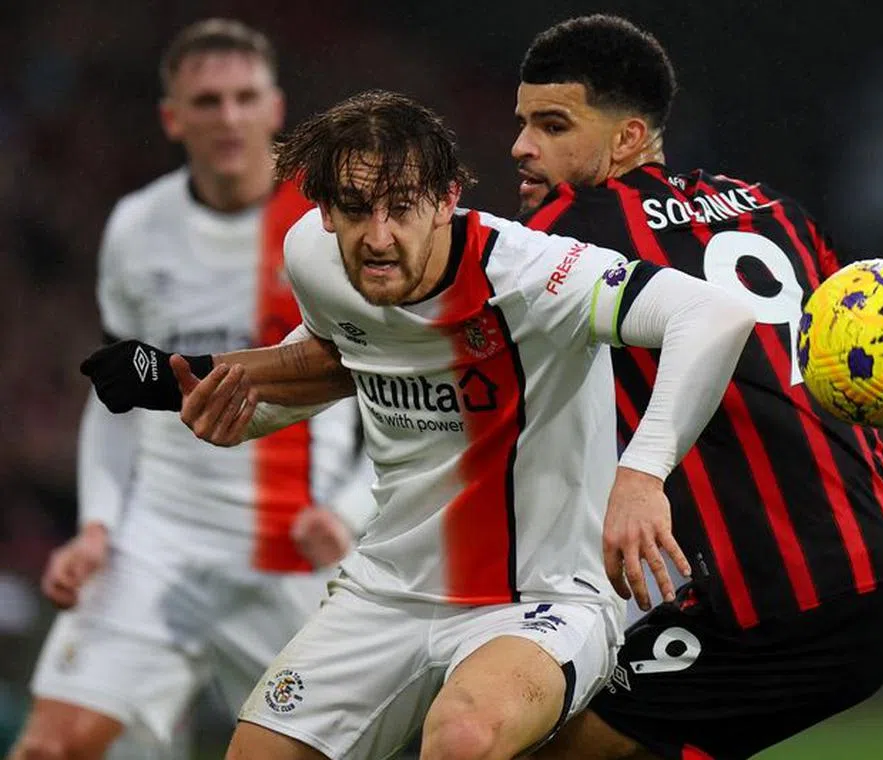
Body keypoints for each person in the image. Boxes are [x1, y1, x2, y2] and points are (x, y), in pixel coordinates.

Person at [78, 90, 756, 760]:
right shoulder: (313, 258)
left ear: (447, 199)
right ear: (322, 209)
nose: (378, 237)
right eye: (354, 209)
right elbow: (343, 358)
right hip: (386, 591)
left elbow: (714, 316)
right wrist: (213, 395)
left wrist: (642, 474)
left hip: (538, 599)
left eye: (401, 207)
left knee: (463, 739)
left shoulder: (529, 273)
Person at [511, 15, 883, 760]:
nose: (522, 147)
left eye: (552, 125)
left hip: (776, 607)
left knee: (518, 736)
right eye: (523, 123)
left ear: (628, 137)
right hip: (881, 567)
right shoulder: (775, 211)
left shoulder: (565, 236)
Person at [9, 20, 374, 760]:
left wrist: (347, 513)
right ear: (173, 118)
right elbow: (115, 392)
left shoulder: (332, 226)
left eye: (246, 97)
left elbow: (401, 389)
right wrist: (98, 524)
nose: (229, 117)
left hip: (294, 547)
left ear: (276, 109)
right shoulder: (138, 226)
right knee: (52, 747)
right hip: (159, 538)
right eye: (208, 101)